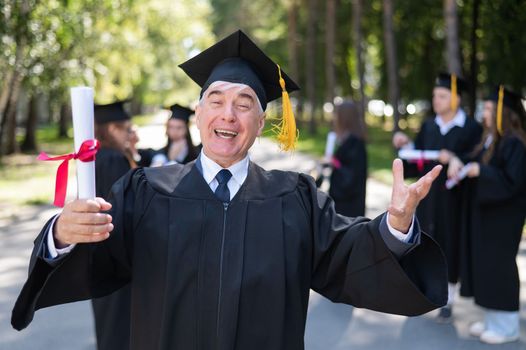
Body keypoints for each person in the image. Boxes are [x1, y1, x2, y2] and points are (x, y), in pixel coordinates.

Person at [12, 30, 447, 350]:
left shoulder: (294, 197)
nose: (229, 114)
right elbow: (98, 259)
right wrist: (62, 235)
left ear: (261, 124)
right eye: (216, 100)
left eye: (245, 104)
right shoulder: (146, 191)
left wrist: (394, 227)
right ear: (199, 114)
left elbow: (345, 253)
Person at [392, 73, 482, 323]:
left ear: (456, 98)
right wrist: (406, 146)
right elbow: (418, 161)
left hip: (456, 200)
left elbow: (476, 160)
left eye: (442, 96)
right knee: (426, 241)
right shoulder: (430, 126)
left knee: (451, 244)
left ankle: (448, 298)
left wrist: (455, 159)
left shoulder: (471, 128)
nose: (436, 100)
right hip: (429, 198)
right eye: (434, 96)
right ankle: (425, 291)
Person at [452, 86, 526, 344]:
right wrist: (459, 162)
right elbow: (473, 159)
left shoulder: (515, 143)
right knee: (486, 266)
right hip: (487, 216)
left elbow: (512, 182)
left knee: (499, 267)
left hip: (504, 219)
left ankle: (507, 327)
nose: (483, 112)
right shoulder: (491, 139)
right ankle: (492, 319)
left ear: (502, 113)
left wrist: (481, 173)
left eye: (488, 108)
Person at [91, 101, 136, 350]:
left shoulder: (98, 156)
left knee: (109, 327)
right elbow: (121, 209)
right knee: (119, 329)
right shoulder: (112, 159)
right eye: (125, 130)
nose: (129, 135)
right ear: (110, 129)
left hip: (101, 253)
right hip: (116, 255)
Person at [328, 100, 367, 217]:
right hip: (348, 204)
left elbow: (350, 178)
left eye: (337, 115)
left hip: (349, 207)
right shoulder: (348, 140)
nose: (335, 118)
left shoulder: (355, 143)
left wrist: (334, 163)